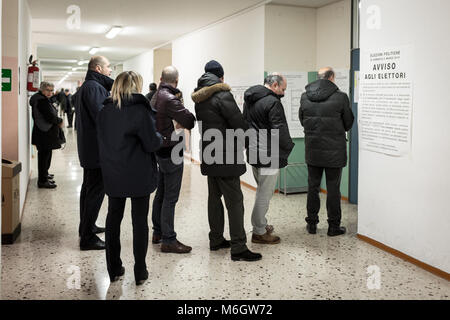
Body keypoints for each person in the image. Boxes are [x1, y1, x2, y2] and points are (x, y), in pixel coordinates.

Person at [192, 60, 262, 262]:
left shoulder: (200, 97)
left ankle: (216, 239)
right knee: (235, 202)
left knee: (214, 199)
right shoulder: (223, 95)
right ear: (221, 77)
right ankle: (239, 247)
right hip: (226, 155)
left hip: (209, 153)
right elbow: (238, 123)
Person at [97, 71, 162, 286]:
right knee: (139, 222)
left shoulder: (105, 110)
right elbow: (152, 143)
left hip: (113, 171)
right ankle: (140, 270)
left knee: (113, 218)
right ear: (136, 86)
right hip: (138, 172)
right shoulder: (140, 110)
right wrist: (160, 137)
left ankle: (113, 268)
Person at [299, 67, 354, 236]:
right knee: (333, 189)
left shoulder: (305, 96)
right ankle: (333, 226)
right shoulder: (341, 97)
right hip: (334, 152)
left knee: (313, 187)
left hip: (313, 150)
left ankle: (312, 224)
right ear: (331, 78)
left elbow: (303, 120)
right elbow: (348, 123)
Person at [243, 73, 295, 244]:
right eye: (283, 89)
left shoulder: (250, 98)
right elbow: (279, 128)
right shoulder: (272, 102)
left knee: (261, 191)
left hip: (254, 151)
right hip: (269, 153)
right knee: (264, 194)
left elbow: (245, 124)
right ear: (274, 85)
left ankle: (261, 224)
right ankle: (258, 231)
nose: (283, 92)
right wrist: (288, 146)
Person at [151, 66, 196, 254]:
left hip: (159, 149)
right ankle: (169, 239)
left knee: (161, 193)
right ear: (176, 81)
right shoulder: (170, 99)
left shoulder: (155, 95)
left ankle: (158, 232)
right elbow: (190, 120)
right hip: (171, 150)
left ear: (161, 78)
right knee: (171, 197)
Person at [75, 56, 114, 251]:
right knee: (95, 192)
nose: (110, 71)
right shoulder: (94, 88)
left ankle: (87, 227)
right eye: (108, 67)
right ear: (98, 68)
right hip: (96, 150)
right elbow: (102, 117)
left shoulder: (90, 86)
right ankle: (88, 238)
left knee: (89, 189)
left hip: (90, 148)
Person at [30, 82, 63, 189]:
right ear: (42, 89)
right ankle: (42, 181)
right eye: (48, 90)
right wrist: (59, 120)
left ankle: (45, 174)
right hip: (44, 132)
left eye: (51, 90)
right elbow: (49, 116)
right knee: (44, 156)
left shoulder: (41, 99)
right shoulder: (41, 100)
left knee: (46, 155)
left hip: (44, 131)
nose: (50, 92)